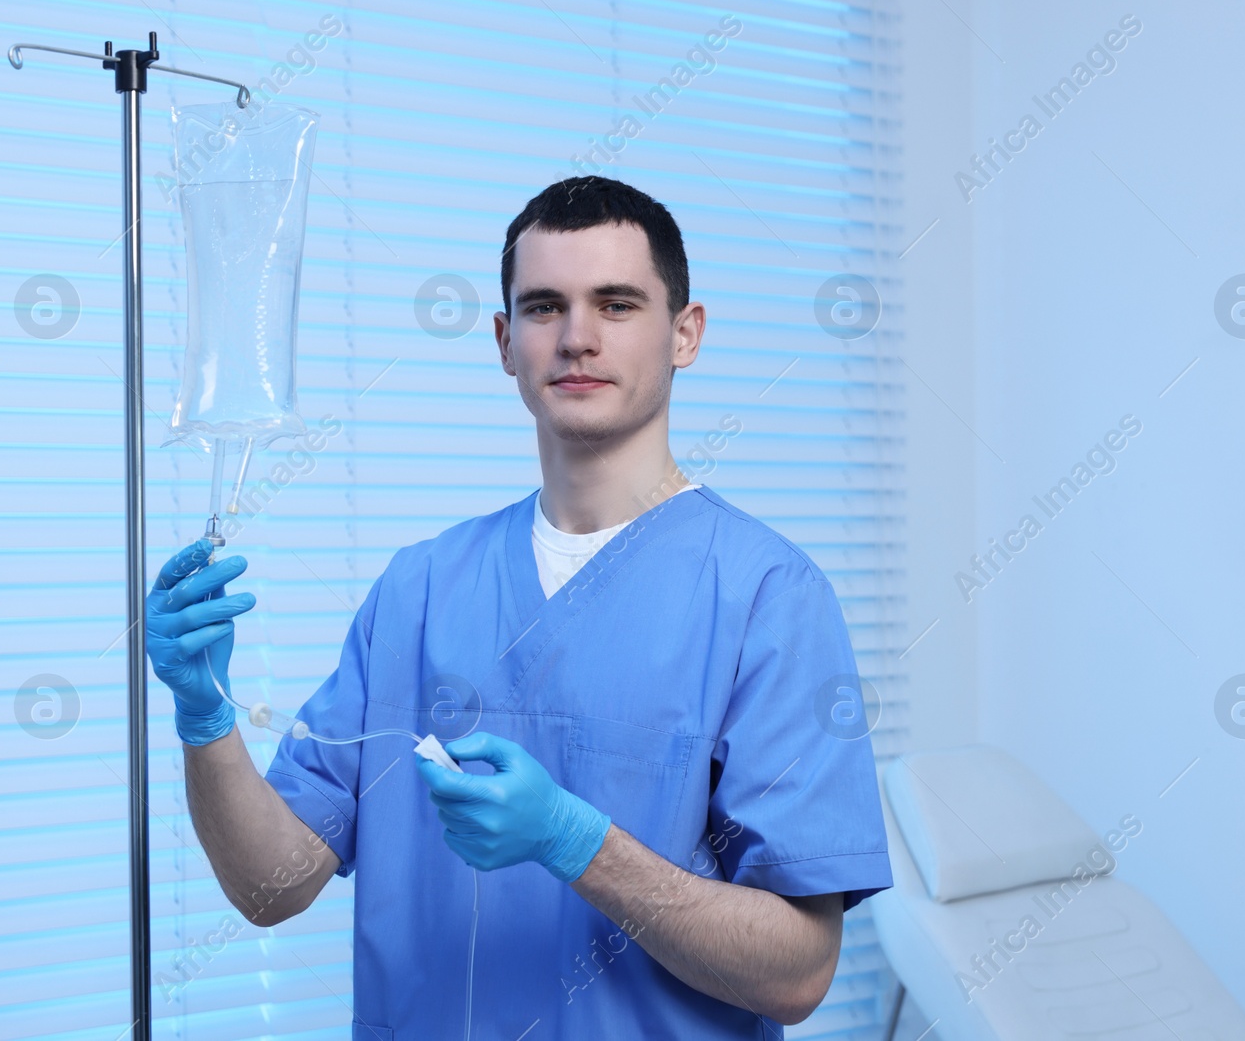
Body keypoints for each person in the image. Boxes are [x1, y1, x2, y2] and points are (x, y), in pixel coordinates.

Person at [145, 175, 893, 1038]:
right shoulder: (419, 588)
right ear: (505, 341)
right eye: (543, 307)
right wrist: (204, 719)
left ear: (685, 333)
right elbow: (271, 885)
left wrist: (576, 841)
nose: (577, 337)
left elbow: (798, 972)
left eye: (616, 304)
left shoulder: (768, 597)